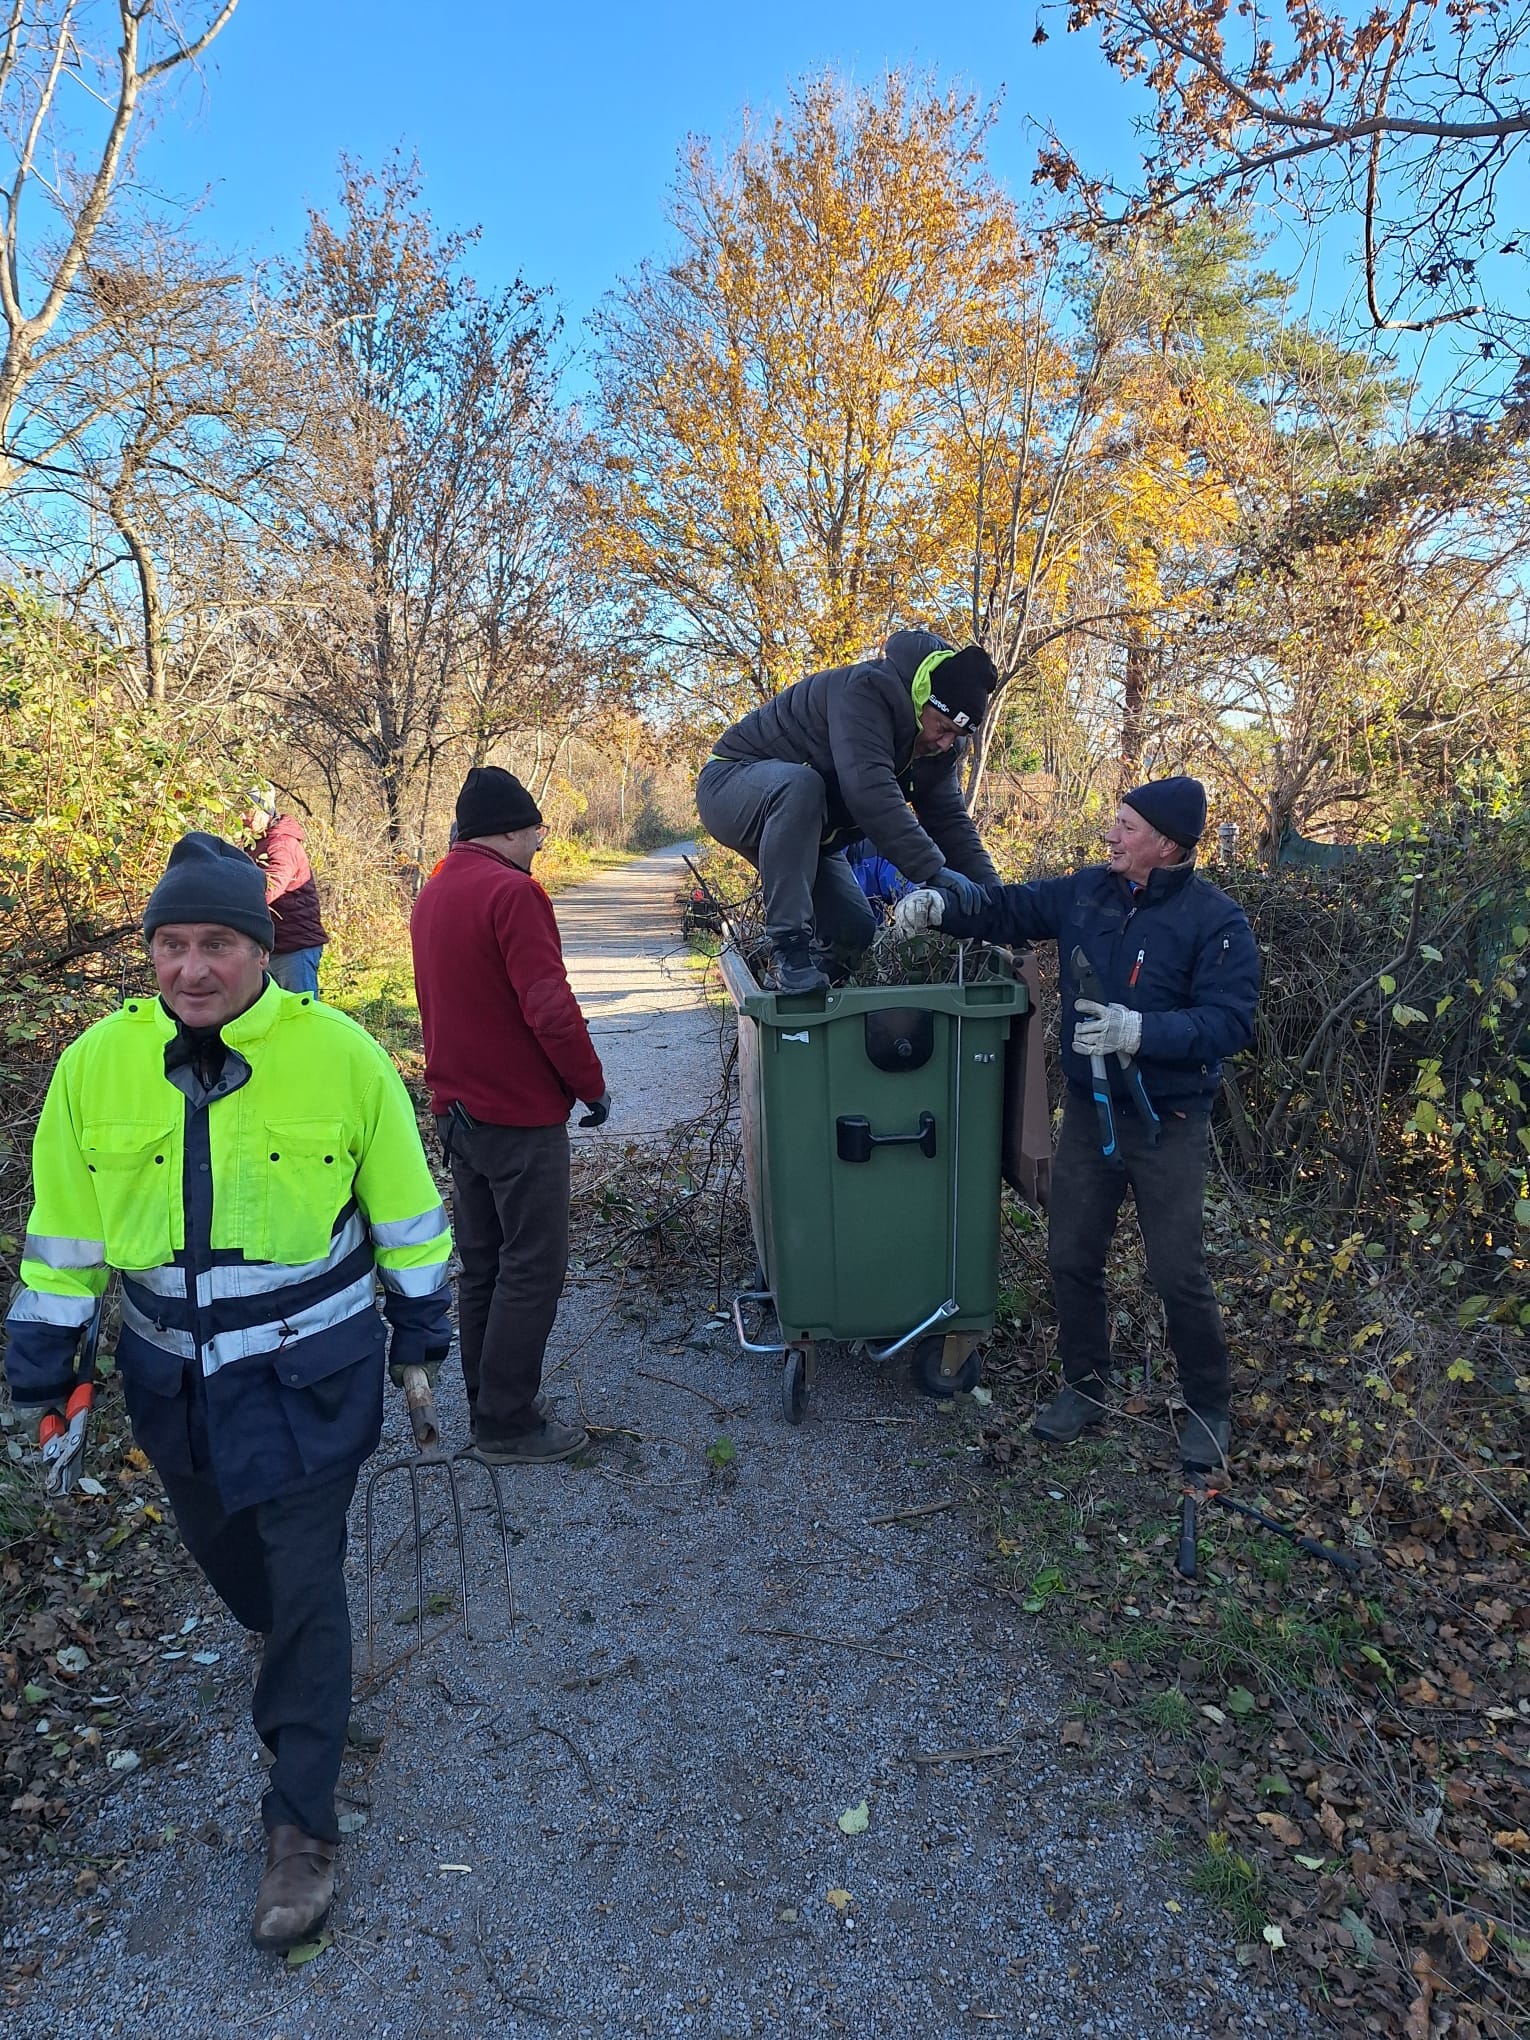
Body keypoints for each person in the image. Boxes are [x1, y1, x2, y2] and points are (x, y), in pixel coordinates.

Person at [3, 832, 452, 1951]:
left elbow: (404, 1209)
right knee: (240, 1572)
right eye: (170, 944)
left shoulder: (340, 1055)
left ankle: (300, 1825)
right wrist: (43, 1374)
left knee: (302, 1587)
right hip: (176, 1389)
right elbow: (62, 1246)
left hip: (311, 1379)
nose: (191, 968)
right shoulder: (94, 1067)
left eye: (216, 944)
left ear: (261, 950)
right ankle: (295, 1656)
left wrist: (422, 1335)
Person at [894, 776, 1259, 1472]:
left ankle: (1209, 1409)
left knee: (1177, 1270)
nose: (1110, 835)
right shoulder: (1087, 892)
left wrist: (1140, 1029)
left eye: (1126, 826)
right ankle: (1085, 1386)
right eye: (1114, 821)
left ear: (1167, 844)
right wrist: (942, 906)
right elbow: (1006, 909)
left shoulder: (1217, 923)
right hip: (1093, 1117)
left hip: (1167, 1122)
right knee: (1070, 1257)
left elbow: (1230, 1020)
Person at [410, 766, 609, 1465]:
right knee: (533, 1265)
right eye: (536, 834)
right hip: (519, 1118)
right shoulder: (513, 894)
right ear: (511, 829)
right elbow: (549, 1008)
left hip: (458, 1115)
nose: (538, 847)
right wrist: (590, 1086)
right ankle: (508, 1423)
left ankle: (488, 1403)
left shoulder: (432, 895)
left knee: (486, 1265)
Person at [696, 631, 1000, 992]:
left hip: (808, 830)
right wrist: (934, 870)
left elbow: (950, 822)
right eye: (944, 728)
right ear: (924, 700)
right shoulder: (866, 692)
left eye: (958, 737)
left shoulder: (937, 752)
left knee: (853, 930)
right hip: (730, 784)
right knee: (801, 785)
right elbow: (870, 793)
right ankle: (789, 952)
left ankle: (800, 1006)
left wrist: (998, 902)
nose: (945, 743)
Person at [245, 785, 329, 995]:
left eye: (249, 809)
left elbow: (272, 884)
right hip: (270, 945)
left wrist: (233, 906)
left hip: (295, 947)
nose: (243, 817)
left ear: (265, 811)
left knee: (301, 1012)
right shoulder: (252, 843)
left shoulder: (281, 843)